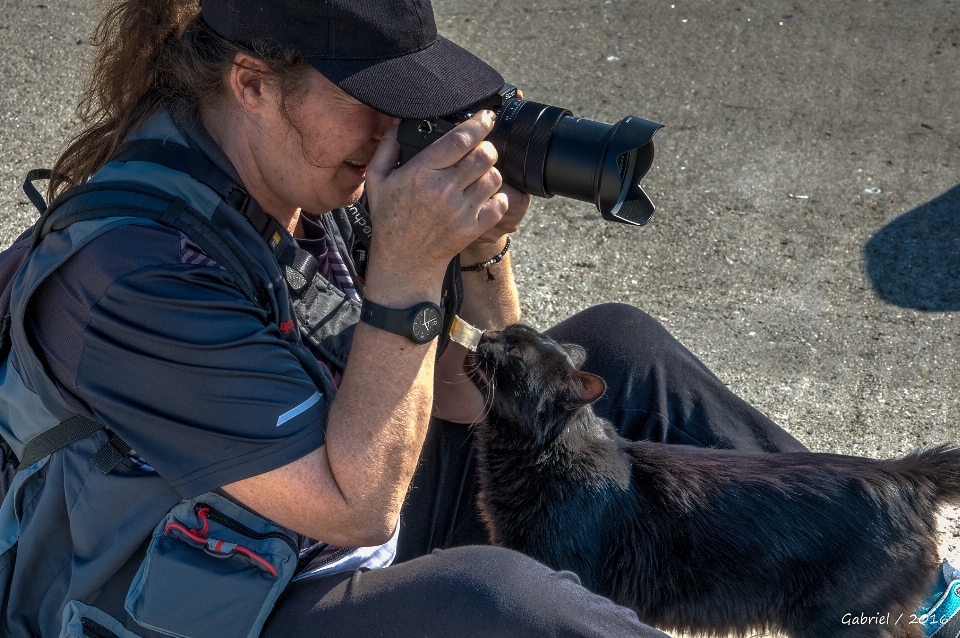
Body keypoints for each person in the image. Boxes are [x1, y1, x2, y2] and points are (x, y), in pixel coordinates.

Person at [13, 0, 936, 636]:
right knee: (499, 602)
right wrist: (407, 271)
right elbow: (353, 506)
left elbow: (468, 406)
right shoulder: (131, 276)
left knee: (619, 351)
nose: (395, 129)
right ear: (252, 82)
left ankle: (891, 576)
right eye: (370, 100)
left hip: (337, 514)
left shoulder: (315, 174)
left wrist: (478, 253)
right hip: (219, 600)